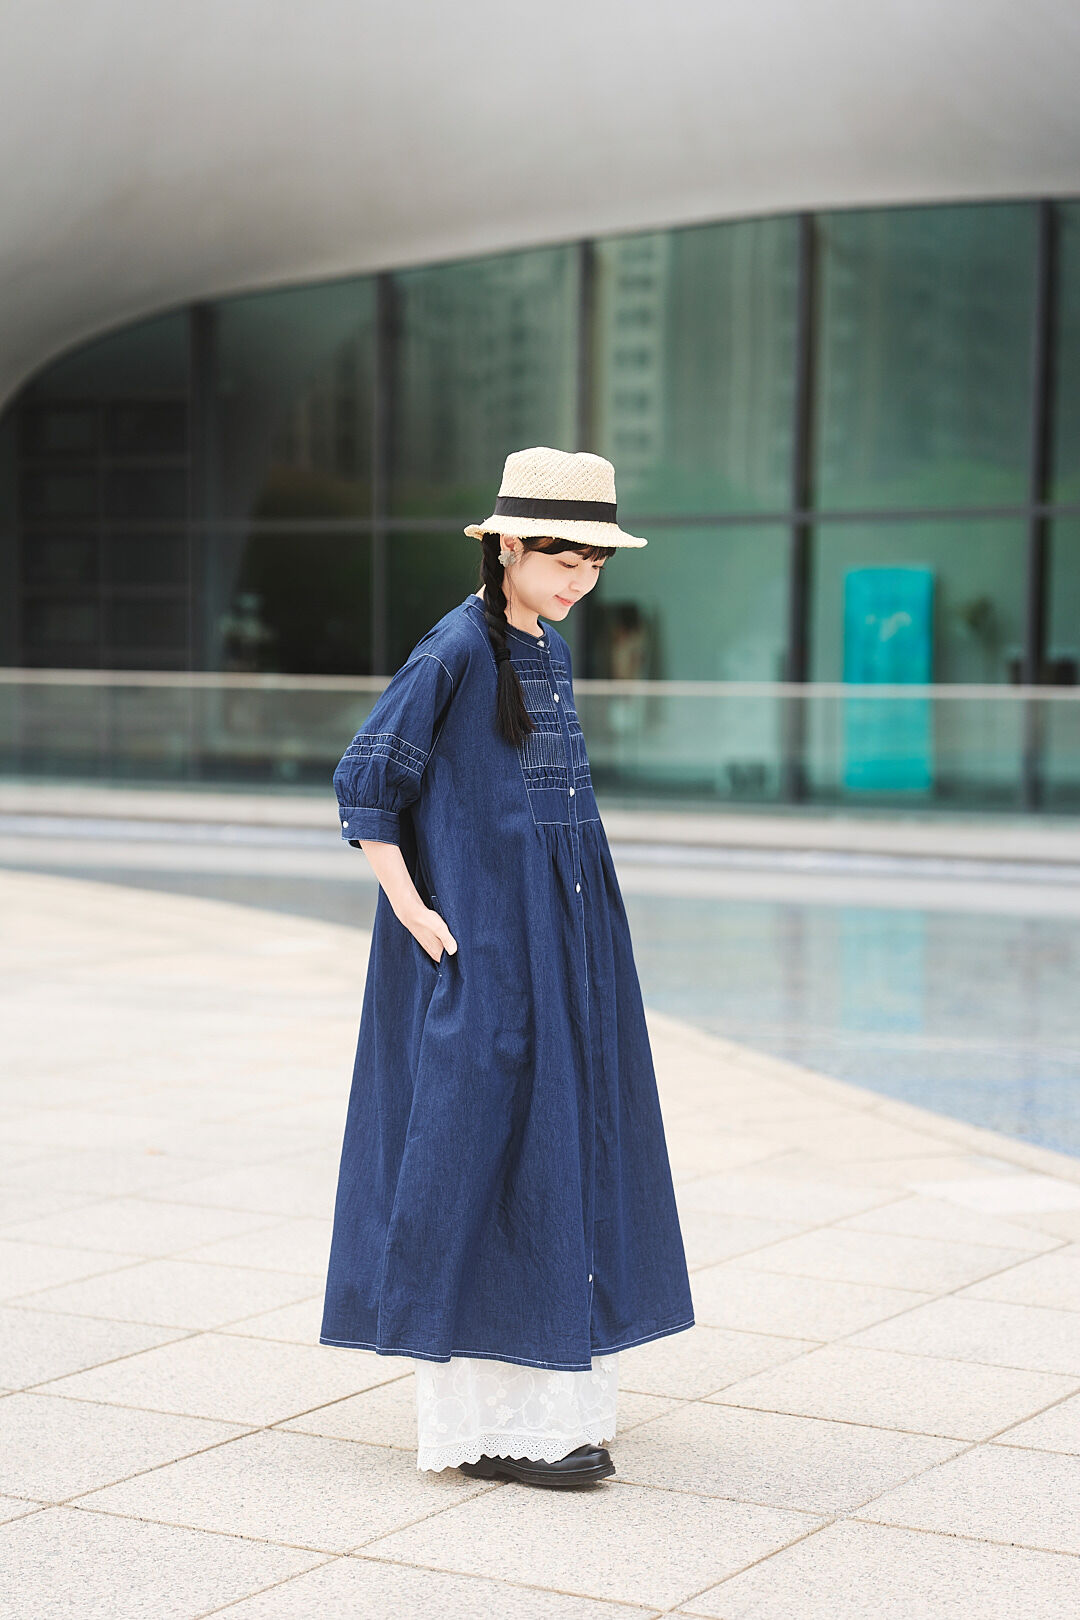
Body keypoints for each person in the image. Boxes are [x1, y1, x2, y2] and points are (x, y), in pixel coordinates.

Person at [320, 445, 694, 1488]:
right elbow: (366, 782)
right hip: (481, 944)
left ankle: (552, 1400)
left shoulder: (548, 649)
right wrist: (416, 913)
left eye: (595, 565)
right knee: (474, 1153)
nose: (582, 581)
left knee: (563, 1145)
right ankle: (491, 1425)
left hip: (561, 941)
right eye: (566, 560)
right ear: (510, 548)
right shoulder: (454, 648)